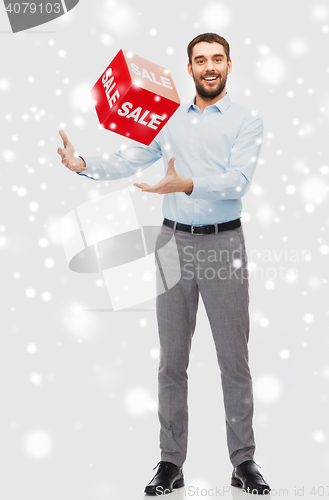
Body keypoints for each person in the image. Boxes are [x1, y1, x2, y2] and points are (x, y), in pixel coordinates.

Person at [58, 32, 271, 496]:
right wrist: (82, 163)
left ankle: (244, 460)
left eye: (217, 59)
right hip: (172, 243)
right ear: (189, 67)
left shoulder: (246, 121)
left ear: (230, 66)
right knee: (171, 360)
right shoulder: (168, 117)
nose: (209, 66)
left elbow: (237, 183)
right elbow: (129, 157)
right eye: (200, 60)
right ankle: (170, 462)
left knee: (233, 360)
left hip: (223, 246)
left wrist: (185, 183)